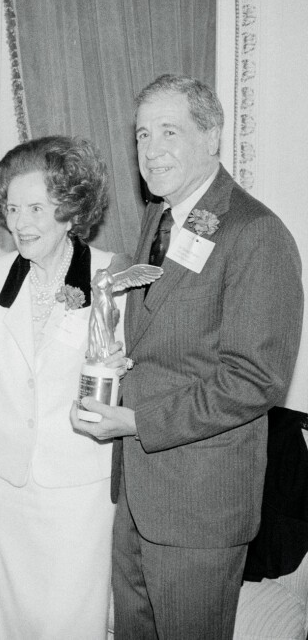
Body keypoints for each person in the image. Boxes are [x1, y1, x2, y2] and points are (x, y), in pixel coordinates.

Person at [71, 74, 304, 638]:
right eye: (142, 134)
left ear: (212, 136)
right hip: (137, 492)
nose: (150, 151)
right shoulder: (160, 218)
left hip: (199, 505)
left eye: (168, 132)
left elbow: (255, 379)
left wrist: (137, 419)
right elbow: (160, 336)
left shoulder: (256, 233)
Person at [0, 136, 127, 639]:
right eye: (12, 207)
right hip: (8, 485)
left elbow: (125, 379)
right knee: (6, 619)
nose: (20, 222)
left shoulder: (113, 276)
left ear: (69, 210)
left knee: (72, 618)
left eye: (36, 208)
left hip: (78, 487)